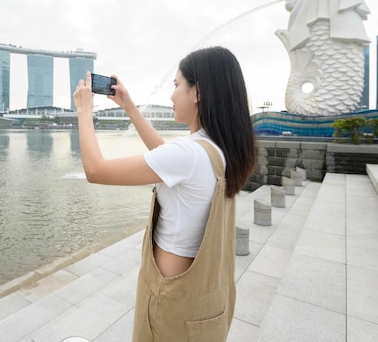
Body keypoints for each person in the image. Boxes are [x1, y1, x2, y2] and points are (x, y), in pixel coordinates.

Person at [73, 46, 256, 342]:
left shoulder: (189, 153)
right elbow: (167, 157)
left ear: (198, 92)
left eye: (177, 85)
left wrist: (84, 112)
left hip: (171, 297)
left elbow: (95, 170)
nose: (171, 95)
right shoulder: (219, 149)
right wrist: (130, 108)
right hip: (205, 295)